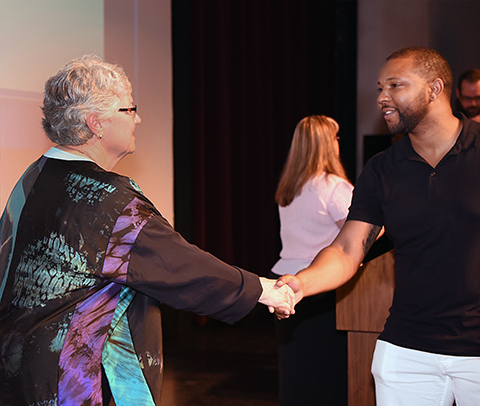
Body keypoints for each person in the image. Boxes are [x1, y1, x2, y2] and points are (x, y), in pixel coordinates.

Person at [276, 46, 480, 405]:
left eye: (395, 85)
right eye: (379, 88)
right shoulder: (381, 170)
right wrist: (301, 282)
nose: (382, 97)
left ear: (435, 89)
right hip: (405, 352)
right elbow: (347, 250)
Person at [0, 55, 294, 406]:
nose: (137, 118)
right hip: (73, 379)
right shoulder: (106, 198)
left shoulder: (32, 177)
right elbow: (179, 265)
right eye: (128, 109)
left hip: (19, 368)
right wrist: (265, 290)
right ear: (97, 124)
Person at [270, 115, 353, 406]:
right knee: (328, 376)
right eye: (335, 137)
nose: (338, 143)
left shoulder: (288, 188)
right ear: (326, 145)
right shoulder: (334, 187)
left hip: (286, 285)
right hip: (323, 289)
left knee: (297, 376)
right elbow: (361, 235)